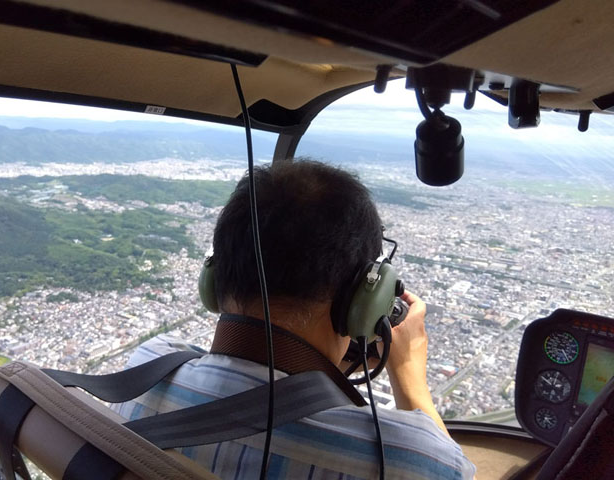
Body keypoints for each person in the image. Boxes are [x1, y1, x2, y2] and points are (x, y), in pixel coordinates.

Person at [114, 160, 475, 479]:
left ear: (215, 276)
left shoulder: (144, 371)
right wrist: (408, 371)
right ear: (363, 301)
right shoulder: (408, 460)